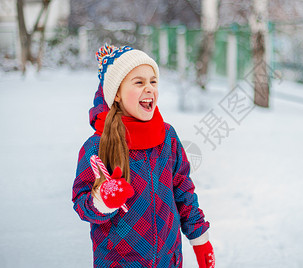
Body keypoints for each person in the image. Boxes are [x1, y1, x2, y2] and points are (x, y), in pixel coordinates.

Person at [72, 44, 215, 268]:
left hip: (169, 260)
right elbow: (81, 203)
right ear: (117, 93)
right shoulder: (97, 146)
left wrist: (200, 241)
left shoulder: (167, 136)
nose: (149, 88)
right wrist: (102, 201)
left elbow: (183, 190)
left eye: (153, 81)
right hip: (119, 263)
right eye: (139, 82)